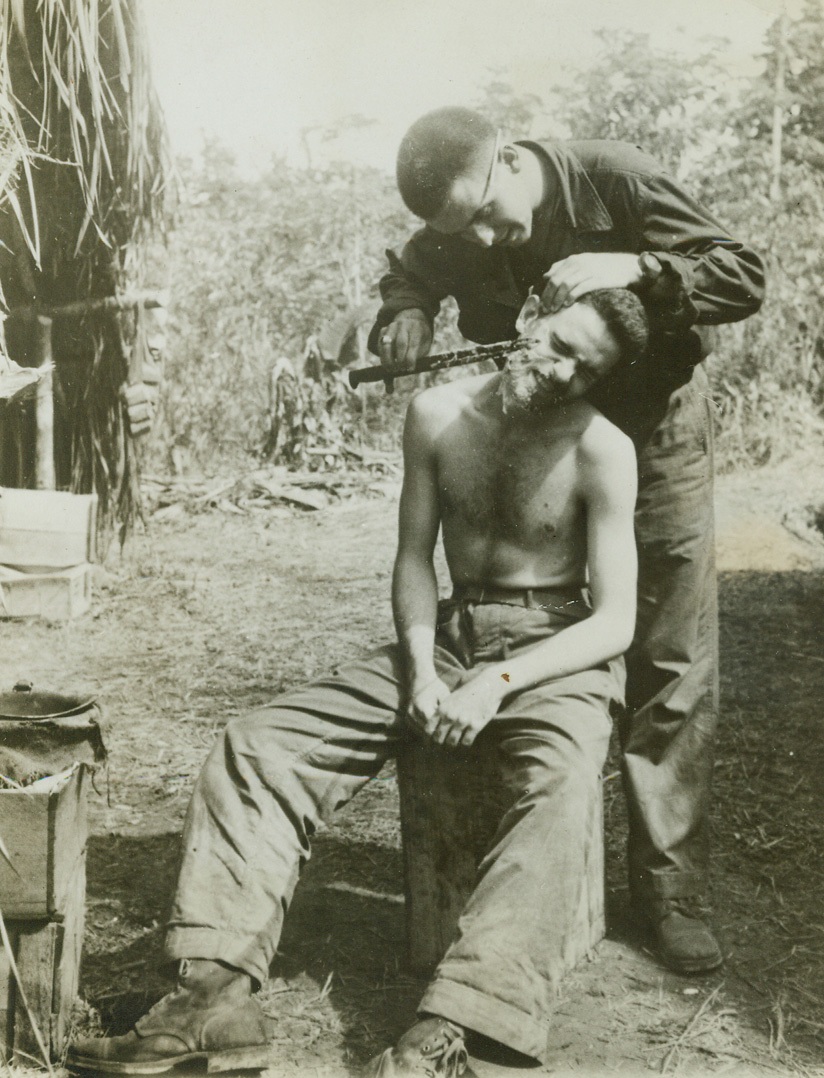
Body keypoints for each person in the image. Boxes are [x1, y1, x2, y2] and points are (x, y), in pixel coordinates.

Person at [68, 287, 644, 1075]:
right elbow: (414, 557)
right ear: (527, 319)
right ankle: (212, 999)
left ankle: (455, 1032)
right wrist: (418, 668)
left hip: (553, 652)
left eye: (582, 367)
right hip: (445, 636)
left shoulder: (602, 447)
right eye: (558, 341)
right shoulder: (438, 415)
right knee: (259, 748)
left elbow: (614, 622)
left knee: (563, 788)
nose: (558, 368)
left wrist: (498, 682)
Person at [370, 106, 766, 975]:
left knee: (667, 647)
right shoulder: (460, 219)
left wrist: (642, 263)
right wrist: (405, 308)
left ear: (509, 158)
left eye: (484, 214)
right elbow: (416, 265)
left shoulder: (613, 177)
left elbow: (742, 274)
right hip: (541, 427)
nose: (480, 237)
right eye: (459, 229)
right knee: (541, 618)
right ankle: (524, 843)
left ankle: (668, 890)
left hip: (650, 427)